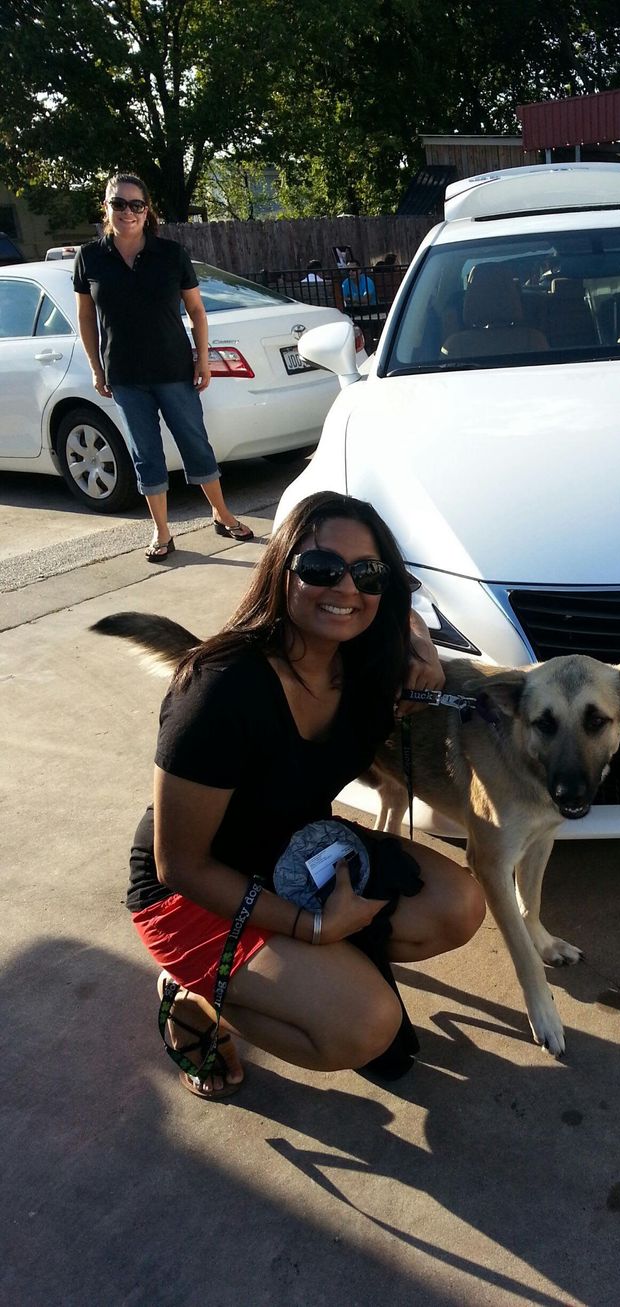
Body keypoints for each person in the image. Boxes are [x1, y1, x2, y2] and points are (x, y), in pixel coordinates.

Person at [126, 490, 486, 1099]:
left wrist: (421, 646)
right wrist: (312, 926)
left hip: (297, 848)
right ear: (280, 569)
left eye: (367, 574)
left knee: (459, 906)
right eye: (320, 568)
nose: (345, 589)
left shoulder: (369, 663)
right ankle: (189, 994)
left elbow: (400, 610)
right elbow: (179, 864)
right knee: (364, 1028)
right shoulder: (218, 692)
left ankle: (311, 977)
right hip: (195, 887)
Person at [74, 172, 254, 561]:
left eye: (135, 204)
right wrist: (95, 367)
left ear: (147, 209)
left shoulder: (171, 254)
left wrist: (202, 358)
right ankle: (161, 531)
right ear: (106, 207)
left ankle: (222, 514)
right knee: (146, 454)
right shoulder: (89, 258)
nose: (127, 212)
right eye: (118, 203)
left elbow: (197, 311)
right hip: (124, 376)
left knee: (195, 443)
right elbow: (87, 318)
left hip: (174, 370)